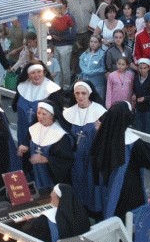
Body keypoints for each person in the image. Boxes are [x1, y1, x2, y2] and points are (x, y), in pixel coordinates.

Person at [63, 81, 106, 213]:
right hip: (76, 158)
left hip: (93, 157)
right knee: (77, 182)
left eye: (83, 93)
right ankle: (79, 208)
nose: (80, 96)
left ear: (89, 94)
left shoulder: (100, 112)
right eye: (77, 93)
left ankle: (94, 210)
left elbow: (107, 137)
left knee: (92, 183)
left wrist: (102, 129)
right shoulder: (69, 112)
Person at [17, 100, 74, 189]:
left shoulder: (61, 135)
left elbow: (66, 160)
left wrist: (46, 159)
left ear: (52, 115)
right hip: (34, 175)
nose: (40, 116)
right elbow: (28, 145)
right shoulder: (33, 128)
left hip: (51, 179)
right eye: (38, 113)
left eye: (44, 114)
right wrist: (24, 148)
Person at [12, 61, 62, 147]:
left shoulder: (53, 90)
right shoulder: (22, 86)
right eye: (33, 73)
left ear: (44, 72)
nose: (36, 75)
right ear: (28, 75)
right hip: (22, 131)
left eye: (39, 72)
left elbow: (57, 115)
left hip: (42, 135)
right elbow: (15, 107)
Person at [67, 0, 96, 75]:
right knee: (75, 56)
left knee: (88, 53)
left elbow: (93, 13)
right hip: (74, 33)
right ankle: (75, 75)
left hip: (87, 33)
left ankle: (87, 73)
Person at [50, 0, 76, 90]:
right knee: (57, 68)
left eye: (58, 4)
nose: (56, 6)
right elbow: (50, 28)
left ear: (64, 5)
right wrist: (53, 35)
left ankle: (66, 87)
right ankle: (58, 86)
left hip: (66, 45)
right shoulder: (53, 16)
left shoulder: (70, 17)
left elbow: (73, 33)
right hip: (56, 45)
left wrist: (61, 37)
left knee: (65, 68)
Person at [132, 58, 150, 135]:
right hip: (139, 108)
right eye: (140, 68)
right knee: (139, 127)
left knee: (148, 129)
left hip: (149, 108)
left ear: (148, 68)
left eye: (145, 68)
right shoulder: (136, 78)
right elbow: (134, 89)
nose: (142, 70)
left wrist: (145, 98)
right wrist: (134, 95)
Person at [79, 34, 107, 101]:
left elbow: (103, 68)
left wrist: (91, 72)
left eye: (95, 42)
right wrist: (85, 70)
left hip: (97, 85)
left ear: (99, 43)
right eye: (91, 41)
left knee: (98, 102)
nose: (93, 44)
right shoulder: (85, 53)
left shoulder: (103, 54)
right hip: (85, 83)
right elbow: (81, 63)